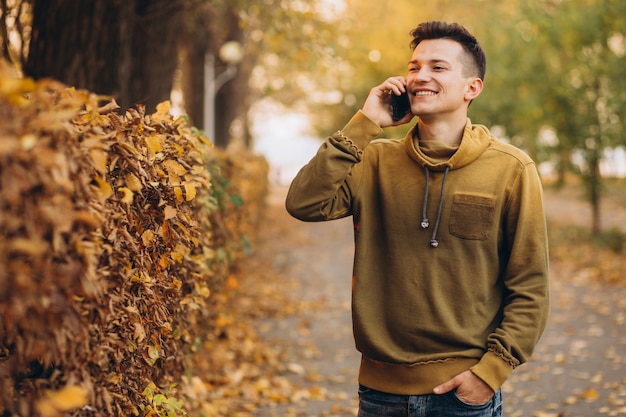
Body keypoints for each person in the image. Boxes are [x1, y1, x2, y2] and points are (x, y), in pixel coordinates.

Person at [285, 20, 550, 417]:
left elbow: (530, 284)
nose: (420, 76)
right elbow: (304, 202)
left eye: (437, 67)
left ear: (471, 88)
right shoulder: (374, 159)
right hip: (380, 393)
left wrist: (492, 372)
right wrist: (364, 123)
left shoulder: (511, 168)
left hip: (464, 394)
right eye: (414, 67)